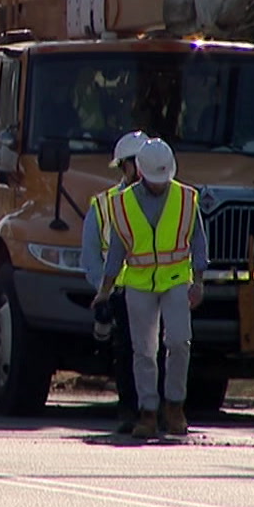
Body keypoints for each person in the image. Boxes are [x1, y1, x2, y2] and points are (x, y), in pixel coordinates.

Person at [93, 138, 208, 440]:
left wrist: (198, 282)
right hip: (139, 284)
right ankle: (147, 411)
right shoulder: (124, 204)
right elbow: (116, 251)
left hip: (175, 283)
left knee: (180, 342)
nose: (159, 186)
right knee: (144, 350)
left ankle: (175, 406)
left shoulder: (186, 199)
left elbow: (198, 241)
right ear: (141, 172)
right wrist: (105, 290)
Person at [82, 130, 152, 432]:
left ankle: (156, 410)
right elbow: (91, 257)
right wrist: (104, 293)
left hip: (157, 289)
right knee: (126, 351)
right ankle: (129, 410)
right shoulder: (104, 205)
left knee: (158, 350)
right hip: (123, 292)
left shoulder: (170, 199)